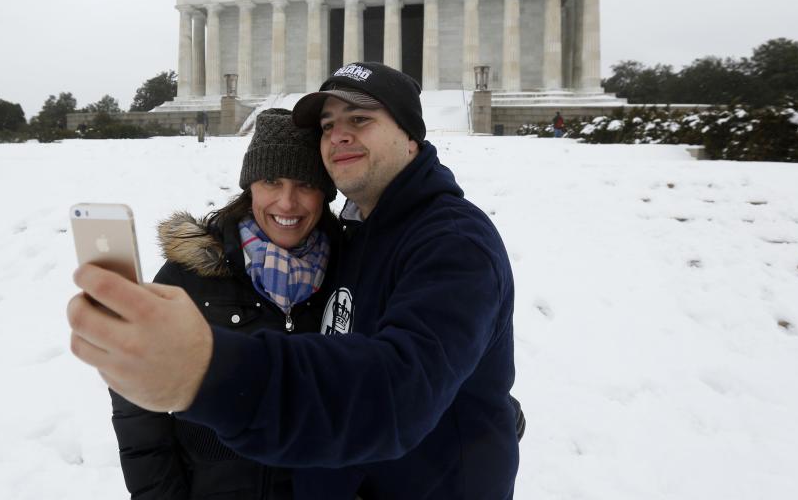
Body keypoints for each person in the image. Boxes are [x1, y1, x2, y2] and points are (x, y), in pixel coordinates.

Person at [68, 62, 519, 499]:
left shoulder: (452, 241)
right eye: (328, 124)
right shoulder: (360, 237)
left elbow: (399, 391)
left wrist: (208, 369)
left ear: (410, 135)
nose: (339, 133)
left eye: (360, 118)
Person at [108, 108, 340, 499]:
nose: (286, 202)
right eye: (271, 181)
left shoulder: (348, 273)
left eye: (304, 184)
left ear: (325, 192)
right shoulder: (192, 274)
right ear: (250, 186)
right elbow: (137, 403)